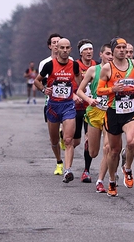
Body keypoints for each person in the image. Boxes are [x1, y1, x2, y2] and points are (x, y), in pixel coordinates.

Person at [97, 37, 134, 196]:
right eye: (118, 47)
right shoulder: (107, 68)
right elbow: (99, 90)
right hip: (113, 111)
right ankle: (111, 181)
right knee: (114, 151)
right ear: (112, 51)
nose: (122, 50)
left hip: (130, 110)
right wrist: (113, 88)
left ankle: (128, 168)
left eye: (124, 47)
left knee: (132, 142)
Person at [34, 38, 81, 183]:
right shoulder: (49, 65)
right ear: (57, 49)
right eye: (62, 47)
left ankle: (68, 170)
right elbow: (36, 80)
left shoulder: (74, 65)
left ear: (70, 49)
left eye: (67, 47)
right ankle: (59, 161)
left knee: (68, 140)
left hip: (68, 106)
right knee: (54, 140)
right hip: (53, 106)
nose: (65, 50)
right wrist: (44, 89)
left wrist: (77, 93)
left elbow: (80, 81)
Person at [76, 43, 114, 193]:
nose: (110, 57)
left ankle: (100, 181)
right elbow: (79, 91)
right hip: (94, 112)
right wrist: (89, 100)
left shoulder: (117, 71)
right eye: (108, 54)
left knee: (108, 147)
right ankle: (89, 145)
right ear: (101, 55)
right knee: (93, 152)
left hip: (110, 112)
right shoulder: (93, 70)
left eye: (112, 54)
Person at [74, 39, 98, 183]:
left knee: (88, 140)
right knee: (75, 140)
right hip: (77, 107)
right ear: (81, 52)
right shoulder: (76, 65)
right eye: (86, 50)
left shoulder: (97, 66)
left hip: (91, 108)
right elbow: (71, 82)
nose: (89, 52)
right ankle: (64, 135)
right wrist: (74, 96)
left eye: (91, 49)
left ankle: (86, 171)